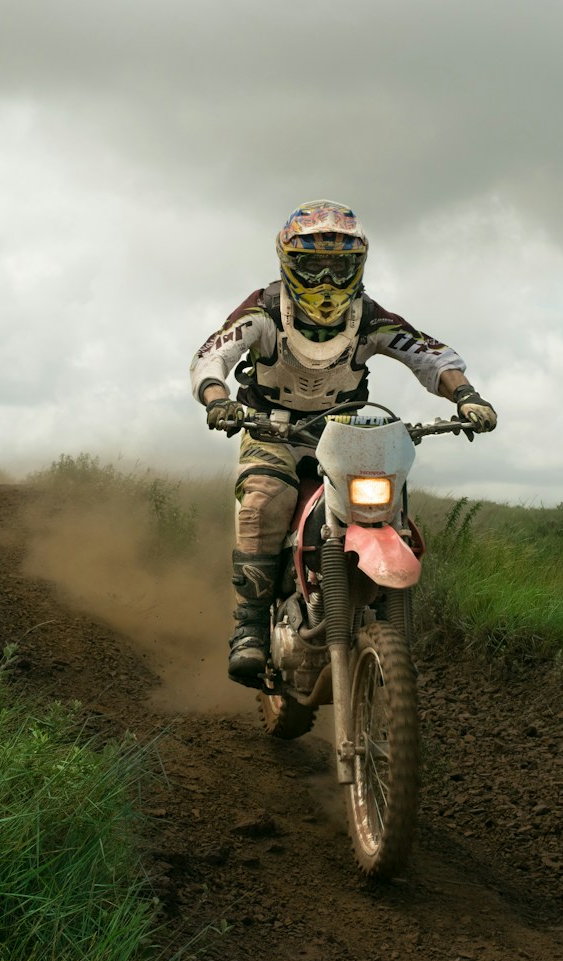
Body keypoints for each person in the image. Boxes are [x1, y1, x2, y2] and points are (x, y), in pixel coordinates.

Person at [189, 199, 497, 687]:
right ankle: (249, 627)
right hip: (270, 429)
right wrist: (217, 399)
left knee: (389, 507)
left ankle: (386, 625)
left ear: (358, 267)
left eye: (340, 266)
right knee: (265, 502)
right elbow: (213, 355)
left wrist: (467, 396)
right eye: (314, 266)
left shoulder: (369, 318)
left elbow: (429, 355)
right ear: (289, 264)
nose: (327, 281)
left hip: (342, 432)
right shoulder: (265, 310)